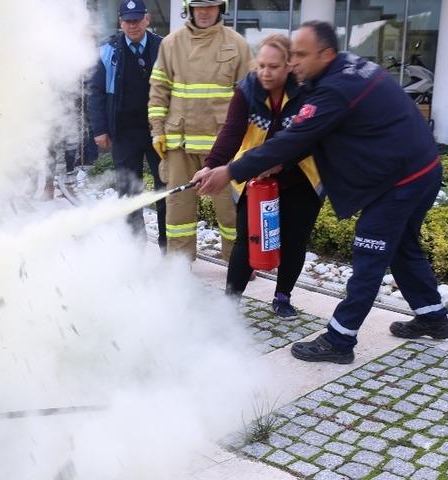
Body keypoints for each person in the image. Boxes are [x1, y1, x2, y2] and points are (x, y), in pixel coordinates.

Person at [194, 21, 448, 365]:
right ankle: (433, 315)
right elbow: (306, 135)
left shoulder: (335, 89)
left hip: (400, 181)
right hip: (420, 169)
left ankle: (339, 340)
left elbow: (295, 137)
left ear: (326, 54)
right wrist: (253, 163)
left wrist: (231, 171)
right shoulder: (341, 70)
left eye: (300, 54)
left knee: (369, 254)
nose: (293, 61)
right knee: (403, 247)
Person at [192, 34, 322, 319]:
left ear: (289, 65)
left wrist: (281, 164)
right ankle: (230, 303)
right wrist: (211, 165)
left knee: (294, 239)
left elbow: (312, 138)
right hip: (254, 176)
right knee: (247, 239)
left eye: (273, 66)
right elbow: (231, 131)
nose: (265, 72)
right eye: (261, 65)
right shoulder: (246, 90)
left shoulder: (307, 92)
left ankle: (283, 296)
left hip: (301, 176)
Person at [148, 0, 252, 261]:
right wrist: (158, 132)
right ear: (189, 8)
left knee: (230, 210)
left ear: (221, 8)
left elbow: (251, 97)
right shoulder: (170, 44)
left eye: (211, 6)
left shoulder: (237, 44)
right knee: (178, 211)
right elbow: (158, 92)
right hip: (179, 144)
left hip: (223, 146)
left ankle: (237, 262)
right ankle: (179, 265)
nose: (205, 12)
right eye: (199, 6)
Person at [88, 0, 166, 248]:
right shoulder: (108, 51)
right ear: (120, 22)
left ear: (147, 19)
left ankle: (168, 245)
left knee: (165, 188)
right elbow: (96, 92)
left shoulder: (163, 47)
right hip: (124, 132)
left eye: (137, 19)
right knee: (128, 190)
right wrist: (100, 129)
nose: (132, 25)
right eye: (127, 21)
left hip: (158, 130)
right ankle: (136, 247)